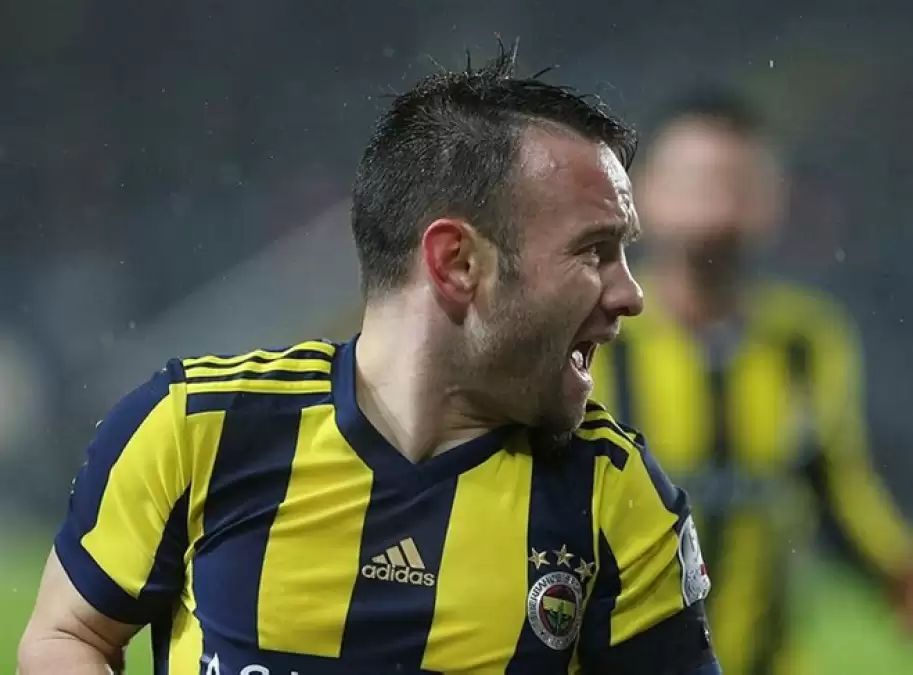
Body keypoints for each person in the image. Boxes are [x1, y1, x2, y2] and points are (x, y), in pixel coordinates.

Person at [17, 45, 722, 675]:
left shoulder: (613, 493)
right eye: (594, 251)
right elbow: (67, 635)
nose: (631, 295)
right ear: (457, 262)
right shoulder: (198, 430)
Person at [588, 88, 913, 675]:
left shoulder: (805, 341)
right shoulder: (595, 333)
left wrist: (900, 575)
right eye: (696, 179)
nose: (716, 199)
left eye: (737, 181)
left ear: (773, 201)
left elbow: (840, 492)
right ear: (638, 194)